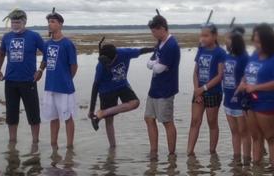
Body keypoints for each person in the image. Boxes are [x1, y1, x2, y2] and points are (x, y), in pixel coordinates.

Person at [236, 23, 274, 168]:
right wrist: (243, 82)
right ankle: (257, 170)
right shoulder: (254, 55)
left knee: (271, 137)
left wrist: (256, 87)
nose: (256, 44)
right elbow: (247, 72)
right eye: (255, 41)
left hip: (268, 103)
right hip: (251, 102)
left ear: (267, 41)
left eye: (259, 41)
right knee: (256, 137)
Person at [89, 42, 153, 147]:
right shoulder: (100, 66)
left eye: (109, 63)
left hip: (122, 85)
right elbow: (95, 86)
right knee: (109, 121)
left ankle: (102, 113)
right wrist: (91, 110)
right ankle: (112, 148)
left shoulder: (125, 53)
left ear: (116, 57)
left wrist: (155, 49)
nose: (107, 65)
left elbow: (141, 51)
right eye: (105, 63)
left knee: (135, 103)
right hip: (106, 90)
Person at [0, 9, 47, 144]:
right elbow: (1, 53)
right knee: (11, 114)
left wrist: (40, 70)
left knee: (33, 114)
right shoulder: (6, 37)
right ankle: (12, 142)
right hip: (10, 81)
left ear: (24, 22)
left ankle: (35, 142)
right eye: (13, 22)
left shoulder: (34, 36)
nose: (15, 25)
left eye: (18, 22)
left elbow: (47, 53)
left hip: (28, 81)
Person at [40, 10, 78, 149]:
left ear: (60, 24)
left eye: (53, 22)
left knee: (67, 117)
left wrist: (67, 79)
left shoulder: (67, 44)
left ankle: (69, 147)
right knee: (53, 118)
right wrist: (39, 70)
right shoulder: (47, 44)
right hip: (50, 86)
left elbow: (73, 66)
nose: (50, 24)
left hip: (64, 88)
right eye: (49, 22)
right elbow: (45, 60)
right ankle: (53, 145)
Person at [144, 13, 181, 158]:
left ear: (162, 29)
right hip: (154, 88)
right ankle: (154, 151)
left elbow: (159, 68)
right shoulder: (159, 43)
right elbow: (150, 63)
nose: (153, 34)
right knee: (148, 118)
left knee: (166, 121)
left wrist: (155, 65)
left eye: (154, 31)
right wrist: (156, 64)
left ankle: (171, 154)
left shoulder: (171, 45)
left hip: (166, 89)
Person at [187, 22, 226, 156]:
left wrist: (203, 88)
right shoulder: (201, 49)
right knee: (194, 121)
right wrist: (197, 90)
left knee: (212, 122)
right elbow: (195, 72)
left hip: (213, 92)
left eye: (206, 35)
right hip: (198, 92)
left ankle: (212, 153)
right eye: (201, 35)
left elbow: (220, 75)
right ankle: (189, 152)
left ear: (214, 36)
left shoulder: (220, 52)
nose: (203, 38)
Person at [222, 26, 251, 161]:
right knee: (234, 132)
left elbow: (248, 79)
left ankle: (246, 161)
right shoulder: (227, 56)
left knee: (244, 132)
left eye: (228, 38)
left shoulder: (245, 57)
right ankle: (236, 160)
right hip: (228, 100)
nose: (225, 40)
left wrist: (243, 97)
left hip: (240, 100)